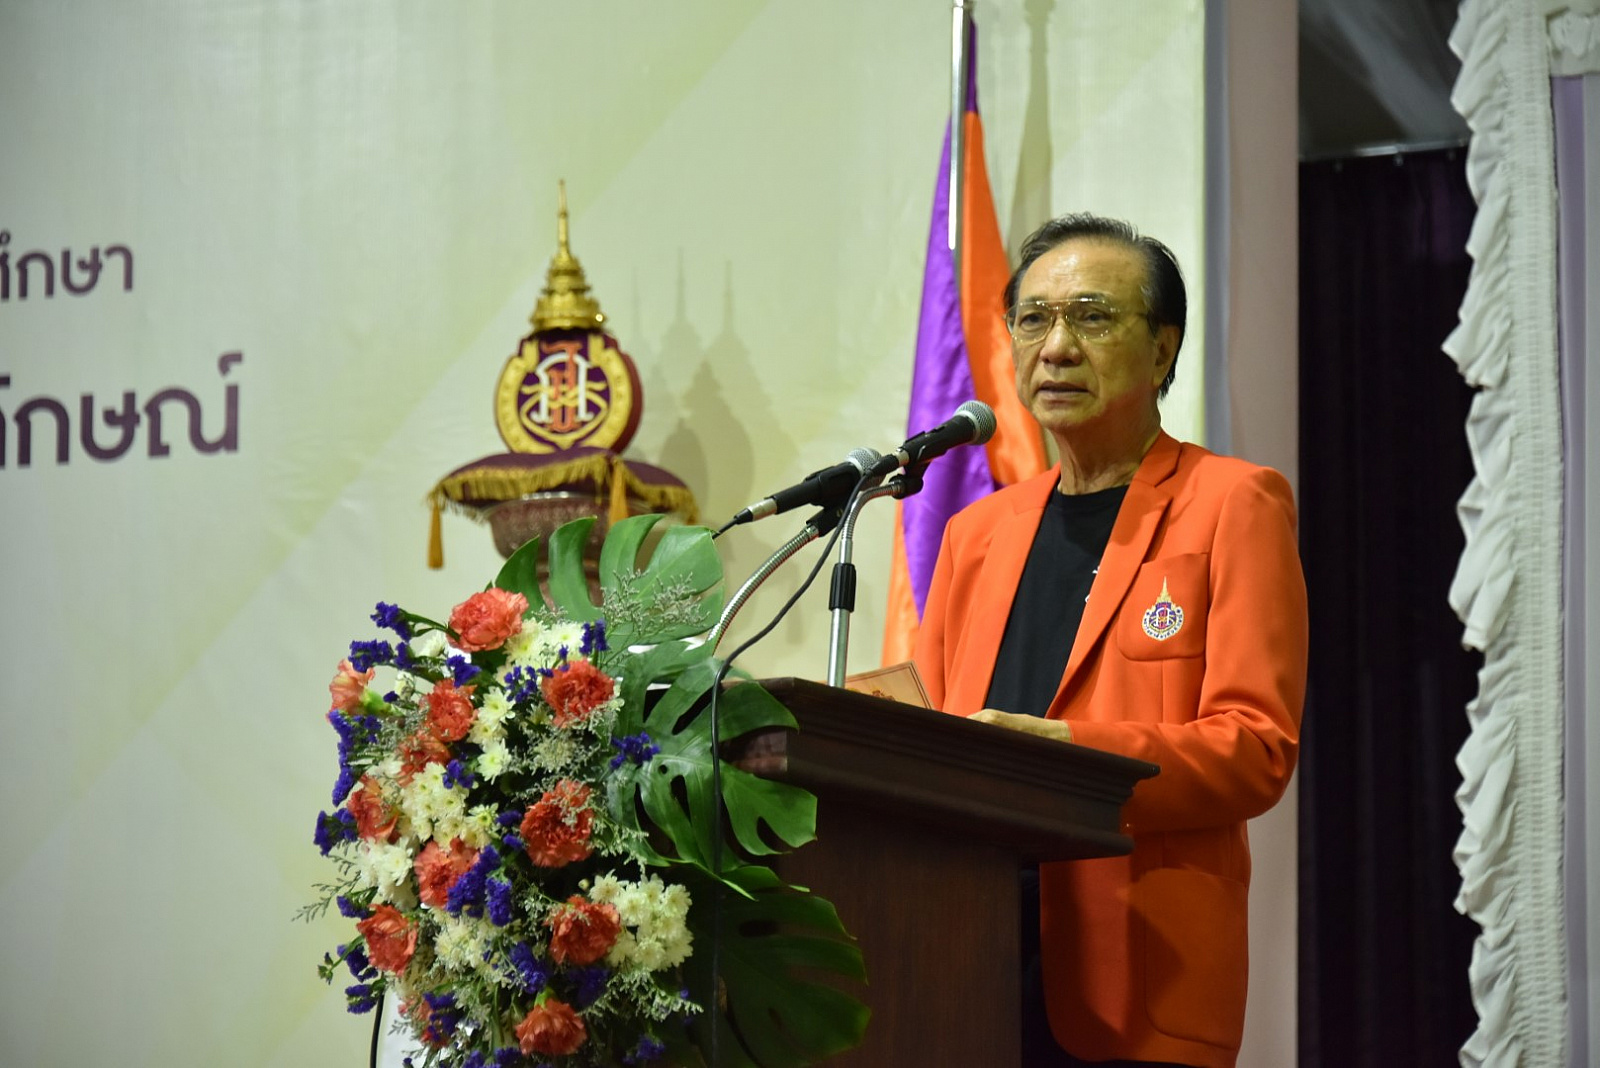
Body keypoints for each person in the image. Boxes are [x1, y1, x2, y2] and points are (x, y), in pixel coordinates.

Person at [912, 213, 1307, 1068]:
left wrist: (1071, 758)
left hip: (1135, 976)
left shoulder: (1232, 504)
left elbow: (1255, 748)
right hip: (964, 958)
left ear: (1163, 349)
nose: (1055, 348)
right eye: (1033, 319)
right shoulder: (976, 535)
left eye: (1091, 317)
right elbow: (936, 732)